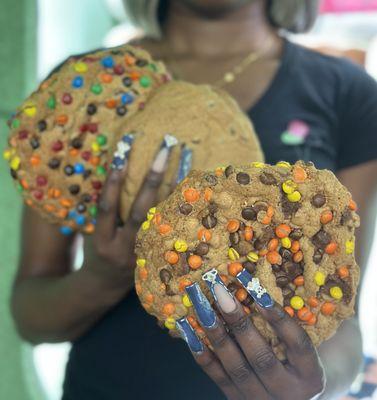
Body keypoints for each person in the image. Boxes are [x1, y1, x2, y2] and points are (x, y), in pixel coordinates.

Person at [10, 0, 377, 399]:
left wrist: (315, 389)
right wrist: (100, 278)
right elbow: (31, 317)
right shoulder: (83, 89)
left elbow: (341, 323)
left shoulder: (347, 94)